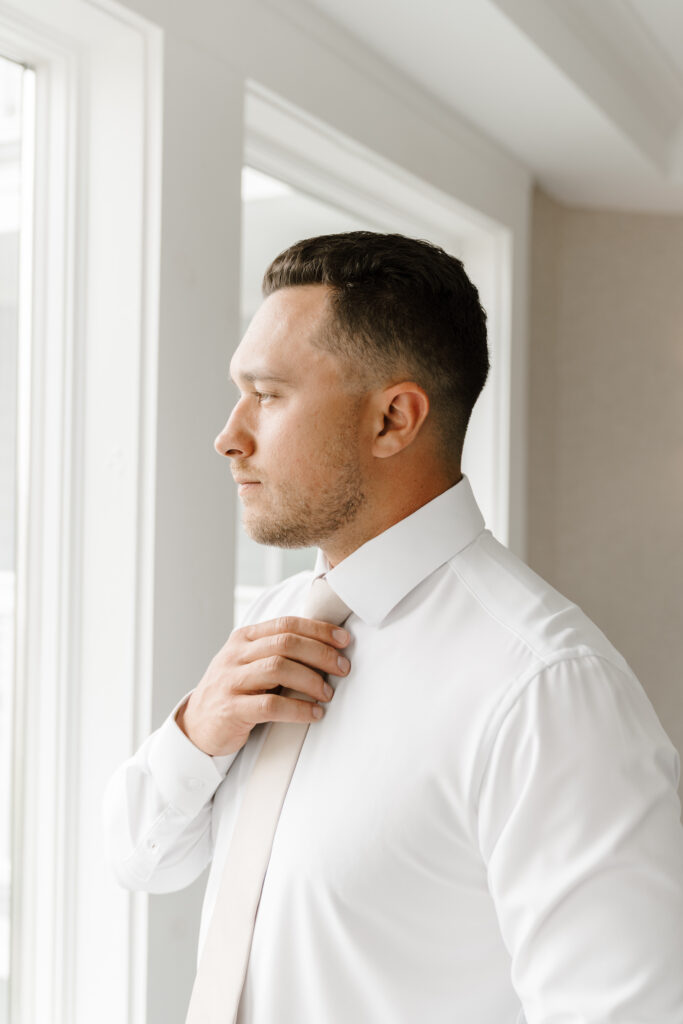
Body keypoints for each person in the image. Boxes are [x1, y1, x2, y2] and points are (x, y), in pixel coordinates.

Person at [103, 231, 683, 1023]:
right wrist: (198, 730)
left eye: (267, 395)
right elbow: (143, 859)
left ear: (393, 419)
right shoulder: (278, 620)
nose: (229, 435)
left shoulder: (542, 690)